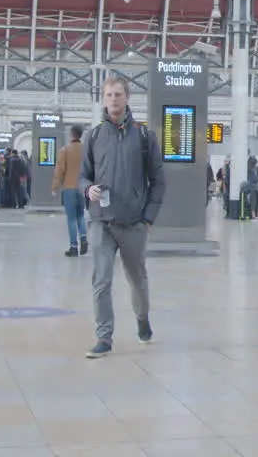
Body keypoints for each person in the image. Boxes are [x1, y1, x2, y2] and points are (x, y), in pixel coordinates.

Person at [78, 76, 166, 358]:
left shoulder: (143, 136)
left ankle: (142, 320)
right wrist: (86, 188)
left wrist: (148, 218)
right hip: (100, 220)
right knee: (101, 280)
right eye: (108, 95)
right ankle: (104, 337)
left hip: (133, 222)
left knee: (137, 279)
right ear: (103, 99)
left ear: (127, 97)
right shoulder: (93, 136)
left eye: (118, 94)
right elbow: (82, 176)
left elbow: (158, 179)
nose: (113, 100)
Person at [53, 125, 87, 257]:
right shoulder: (85, 150)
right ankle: (84, 237)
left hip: (70, 187)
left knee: (72, 218)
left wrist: (55, 186)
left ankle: (74, 247)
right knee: (81, 215)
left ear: (71, 134)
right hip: (82, 187)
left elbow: (60, 170)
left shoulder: (65, 150)